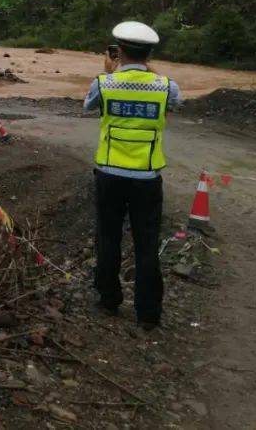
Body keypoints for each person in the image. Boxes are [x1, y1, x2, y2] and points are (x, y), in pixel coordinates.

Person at [83, 21, 182, 331]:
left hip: (110, 175)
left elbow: (89, 107)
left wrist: (111, 72)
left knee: (109, 237)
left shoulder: (104, 82)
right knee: (147, 244)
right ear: (150, 53)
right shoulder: (167, 86)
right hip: (147, 177)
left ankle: (109, 299)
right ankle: (148, 313)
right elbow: (173, 106)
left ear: (119, 51)